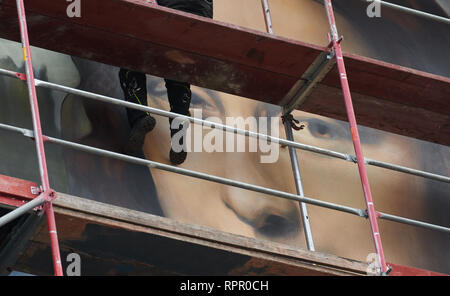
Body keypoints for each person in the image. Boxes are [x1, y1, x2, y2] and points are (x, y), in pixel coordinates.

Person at [119, 0, 213, 164]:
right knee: (178, 69)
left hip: (167, 19)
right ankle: (180, 118)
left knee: (131, 60)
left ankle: (139, 116)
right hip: (200, 25)